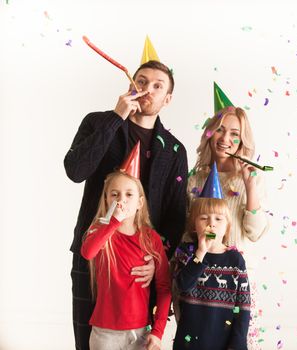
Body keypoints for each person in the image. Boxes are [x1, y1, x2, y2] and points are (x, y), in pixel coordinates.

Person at [64, 60, 188, 350]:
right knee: (86, 343)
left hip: (138, 266)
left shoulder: (173, 150)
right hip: (92, 253)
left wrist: (158, 260)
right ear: (131, 86)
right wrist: (116, 118)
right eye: (141, 81)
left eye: (158, 86)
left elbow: (175, 215)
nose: (148, 89)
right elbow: (75, 170)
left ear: (167, 99)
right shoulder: (98, 122)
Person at [188, 106, 269, 348]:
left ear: (243, 140)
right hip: (199, 280)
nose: (225, 139)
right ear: (209, 133)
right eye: (220, 130)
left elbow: (255, 232)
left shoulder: (252, 178)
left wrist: (250, 188)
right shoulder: (195, 178)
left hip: (237, 283)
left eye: (235, 133)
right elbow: (187, 230)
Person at [81, 170, 171, 350]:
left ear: (140, 202)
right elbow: (88, 253)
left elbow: (164, 287)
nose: (121, 200)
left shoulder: (151, 238)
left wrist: (158, 331)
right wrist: (113, 222)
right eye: (115, 194)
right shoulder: (99, 232)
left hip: (140, 333)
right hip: (104, 334)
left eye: (129, 194)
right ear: (107, 200)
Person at [172, 196, 251, 350]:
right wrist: (200, 253)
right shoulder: (186, 253)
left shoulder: (235, 260)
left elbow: (243, 306)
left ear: (227, 227)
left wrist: (238, 344)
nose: (211, 223)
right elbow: (182, 285)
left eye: (218, 219)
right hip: (188, 342)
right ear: (194, 226)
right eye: (203, 218)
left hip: (223, 342)